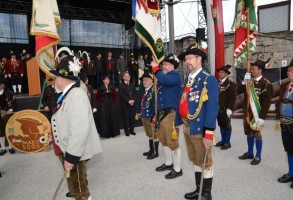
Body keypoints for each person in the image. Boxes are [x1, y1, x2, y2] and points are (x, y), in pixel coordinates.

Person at [50, 55, 102, 200]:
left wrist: (71, 157)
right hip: (67, 147)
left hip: (73, 152)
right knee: (76, 185)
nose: (54, 81)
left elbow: (79, 130)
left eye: (55, 78)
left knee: (79, 190)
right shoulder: (69, 93)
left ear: (60, 79)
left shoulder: (76, 95)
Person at [175, 42, 219, 200]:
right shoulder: (188, 79)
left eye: (190, 58)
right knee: (195, 159)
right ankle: (198, 189)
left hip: (200, 128)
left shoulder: (208, 80)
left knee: (205, 161)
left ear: (199, 58)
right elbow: (182, 101)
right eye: (185, 59)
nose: (187, 61)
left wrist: (208, 134)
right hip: (188, 126)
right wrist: (177, 120)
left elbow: (212, 108)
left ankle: (206, 194)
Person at [150, 54, 183, 179]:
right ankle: (169, 163)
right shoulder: (163, 78)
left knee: (172, 142)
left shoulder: (175, 76)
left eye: (166, 64)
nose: (163, 66)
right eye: (162, 64)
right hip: (162, 113)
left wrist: (155, 68)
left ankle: (177, 169)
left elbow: (164, 80)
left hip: (171, 114)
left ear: (173, 66)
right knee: (163, 140)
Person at [238, 59, 273, 165]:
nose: (251, 71)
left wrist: (262, 117)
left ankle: (258, 156)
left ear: (260, 70)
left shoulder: (266, 84)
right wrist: (244, 81)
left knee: (257, 135)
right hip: (247, 112)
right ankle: (249, 153)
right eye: (251, 69)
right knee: (248, 133)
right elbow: (239, 90)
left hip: (257, 113)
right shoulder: (249, 81)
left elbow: (266, 103)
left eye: (253, 69)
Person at [275, 59, 293, 189]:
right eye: (288, 70)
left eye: (292, 70)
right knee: (289, 149)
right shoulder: (285, 86)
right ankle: (291, 173)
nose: (289, 72)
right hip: (284, 123)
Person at [136, 71, 158, 159]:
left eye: (146, 80)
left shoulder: (153, 92)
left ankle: (155, 152)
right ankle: (151, 150)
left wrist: (154, 117)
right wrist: (139, 111)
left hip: (150, 116)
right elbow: (141, 102)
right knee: (149, 133)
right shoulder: (145, 91)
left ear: (152, 82)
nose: (144, 82)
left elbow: (154, 105)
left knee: (154, 134)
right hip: (145, 116)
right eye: (143, 80)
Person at [215, 65, 236, 150]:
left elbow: (232, 97)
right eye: (219, 72)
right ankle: (223, 140)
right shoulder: (217, 82)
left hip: (226, 108)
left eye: (222, 72)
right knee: (221, 124)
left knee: (227, 125)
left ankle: (228, 142)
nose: (220, 74)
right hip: (218, 107)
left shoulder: (231, 84)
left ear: (226, 74)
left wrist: (230, 108)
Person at [0, 78, 16, 156]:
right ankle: (3, 148)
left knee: (10, 131)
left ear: (2, 85)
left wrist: (10, 109)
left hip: (7, 115)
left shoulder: (9, 93)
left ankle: (10, 147)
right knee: (0, 132)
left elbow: (14, 103)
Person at [118, 71, 137, 136]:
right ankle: (126, 131)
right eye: (127, 76)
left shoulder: (132, 84)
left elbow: (135, 93)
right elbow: (122, 95)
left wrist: (133, 100)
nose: (128, 77)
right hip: (125, 104)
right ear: (123, 77)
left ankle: (132, 130)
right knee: (126, 118)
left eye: (129, 76)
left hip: (133, 104)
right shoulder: (121, 85)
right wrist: (129, 101)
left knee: (132, 118)